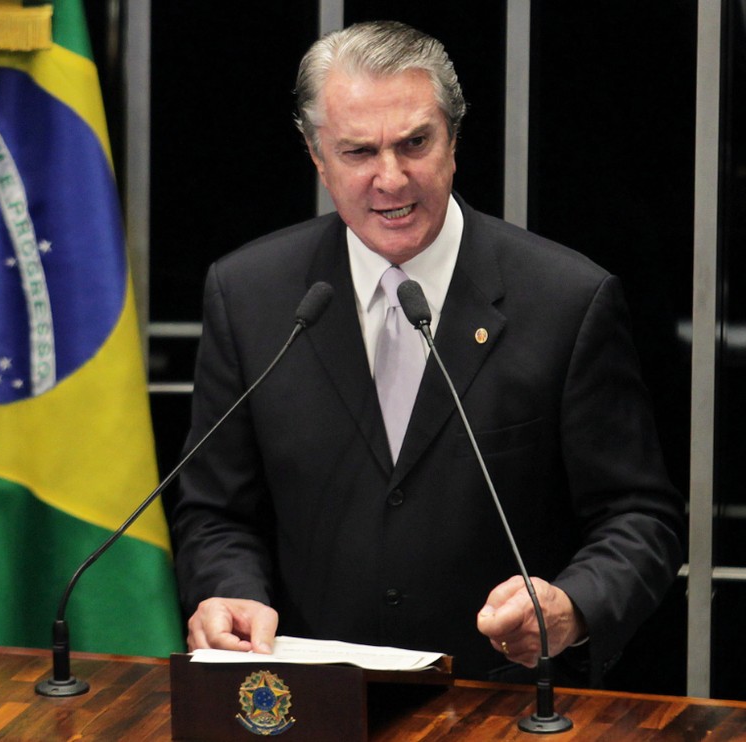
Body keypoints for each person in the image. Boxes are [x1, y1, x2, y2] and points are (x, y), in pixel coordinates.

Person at [167, 20, 684, 685]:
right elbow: (215, 512)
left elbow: (639, 518)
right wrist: (228, 590)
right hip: (305, 701)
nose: (391, 178)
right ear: (316, 155)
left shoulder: (566, 300)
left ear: (453, 140)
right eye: (358, 152)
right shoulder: (249, 295)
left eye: (415, 143)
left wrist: (572, 607)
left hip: (500, 703)